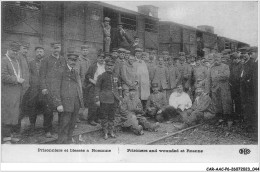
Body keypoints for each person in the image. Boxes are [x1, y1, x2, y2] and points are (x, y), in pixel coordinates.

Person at [56, 49, 84, 144]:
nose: (73, 62)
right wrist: (58, 103)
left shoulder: (75, 72)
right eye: (71, 60)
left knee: (72, 123)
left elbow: (78, 87)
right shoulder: (61, 71)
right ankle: (61, 142)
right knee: (64, 123)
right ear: (67, 60)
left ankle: (68, 140)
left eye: (75, 60)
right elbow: (56, 88)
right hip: (65, 102)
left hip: (75, 101)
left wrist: (80, 102)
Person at [39, 42, 66, 138]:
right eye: (54, 48)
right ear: (51, 49)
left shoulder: (63, 59)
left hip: (61, 88)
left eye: (58, 48)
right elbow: (41, 75)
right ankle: (47, 130)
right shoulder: (46, 60)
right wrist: (44, 87)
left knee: (61, 110)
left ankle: (61, 128)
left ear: (60, 48)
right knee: (48, 111)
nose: (56, 50)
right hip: (49, 89)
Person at [1, 41, 24, 143]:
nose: (15, 53)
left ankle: (10, 136)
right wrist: (16, 80)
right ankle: (6, 140)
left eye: (17, 51)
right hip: (7, 93)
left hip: (16, 93)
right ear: (8, 50)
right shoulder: (4, 60)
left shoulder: (16, 61)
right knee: (7, 115)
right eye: (13, 50)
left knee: (13, 115)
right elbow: (2, 76)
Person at [95, 57, 122, 140]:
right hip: (104, 99)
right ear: (105, 66)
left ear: (113, 66)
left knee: (112, 116)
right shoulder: (101, 76)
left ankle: (111, 131)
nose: (109, 67)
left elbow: (119, 87)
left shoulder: (116, 76)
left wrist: (120, 98)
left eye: (111, 65)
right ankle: (105, 132)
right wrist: (97, 99)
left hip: (114, 99)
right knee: (104, 117)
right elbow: (97, 88)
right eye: (108, 65)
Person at [22, 46, 46, 131]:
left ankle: (46, 126)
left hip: (44, 89)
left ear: (44, 53)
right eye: (38, 52)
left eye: (41, 51)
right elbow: (28, 74)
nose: (39, 53)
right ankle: (32, 124)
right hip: (33, 88)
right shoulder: (30, 63)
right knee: (32, 106)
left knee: (46, 106)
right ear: (35, 53)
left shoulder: (46, 63)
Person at [207, 53, 232, 125]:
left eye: (218, 58)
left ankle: (227, 119)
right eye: (215, 59)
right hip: (215, 88)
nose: (216, 60)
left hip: (224, 88)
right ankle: (219, 119)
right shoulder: (212, 68)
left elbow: (226, 76)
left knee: (225, 103)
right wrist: (208, 89)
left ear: (221, 59)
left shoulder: (225, 66)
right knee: (216, 104)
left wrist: (217, 76)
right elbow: (209, 79)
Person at [84, 52, 106, 126]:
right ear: (97, 58)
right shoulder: (93, 66)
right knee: (93, 103)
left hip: (102, 87)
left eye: (102, 58)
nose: (101, 59)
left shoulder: (105, 66)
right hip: (94, 86)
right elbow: (87, 76)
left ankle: (97, 118)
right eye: (100, 58)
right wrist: (93, 82)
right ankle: (91, 119)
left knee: (101, 103)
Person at [76, 44, 91, 121]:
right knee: (79, 99)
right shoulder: (78, 60)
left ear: (88, 51)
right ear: (81, 51)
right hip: (81, 82)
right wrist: (79, 83)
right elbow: (77, 73)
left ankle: (83, 115)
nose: (85, 52)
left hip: (87, 83)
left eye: (86, 50)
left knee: (86, 99)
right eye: (83, 50)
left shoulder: (88, 60)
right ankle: (76, 116)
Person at [18, 41, 31, 129]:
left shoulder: (25, 58)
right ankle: (16, 127)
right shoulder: (18, 57)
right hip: (20, 87)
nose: (26, 50)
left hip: (26, 87)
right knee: (18, 107)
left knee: (23, 107)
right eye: (24, 48)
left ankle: (20, 126)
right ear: (19, 49)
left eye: (27, 49)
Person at [229, 52, 243, 121]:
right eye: (233, 59)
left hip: (239, 85)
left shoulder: (241, 65)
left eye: (234, 59)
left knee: (238, 101)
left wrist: (238, 82)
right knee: (233, 99)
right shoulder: (233, 65)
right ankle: (235, 114)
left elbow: (241, 76)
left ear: (237, 58)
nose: (234, 61)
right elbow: (230, 74)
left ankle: (239, 114)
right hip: (233, 85)